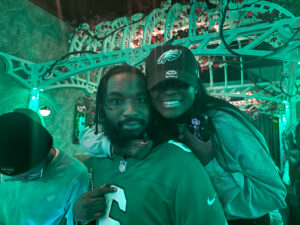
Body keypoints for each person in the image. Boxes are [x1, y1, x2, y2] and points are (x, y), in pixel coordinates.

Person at [79, 45, 287, 225]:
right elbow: (90, 134)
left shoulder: (223, 122)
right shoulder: (155, 120)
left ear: (195, 87)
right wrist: (116, 146)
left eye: (179, 84)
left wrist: (209, 163)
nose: (169, 93)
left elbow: (273, 195)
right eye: (159, 86)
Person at [73, 65, 227, 225]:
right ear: (102, 108)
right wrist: (78, 215)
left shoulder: (181, 165)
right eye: (116, 101)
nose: (131, 111)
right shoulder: (92, 165)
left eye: (140, 99)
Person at [0, 109, 89, 225]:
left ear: (46, 154)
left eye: (31, 175)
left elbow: (75, 221)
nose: (24, 182)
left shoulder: (76, 174)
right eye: (14, 178)